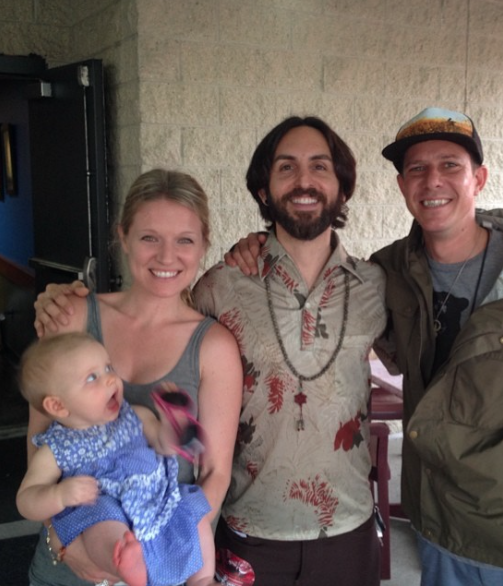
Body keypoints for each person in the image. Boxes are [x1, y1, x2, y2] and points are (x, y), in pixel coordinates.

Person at [223, 107, 503, 585]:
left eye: (450, 165)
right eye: (417, 168)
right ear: (401, 186)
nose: (432, 180)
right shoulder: (387, 272)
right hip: (441, 530)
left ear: (479, 177)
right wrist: (258, 243)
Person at [35, 117, 388, 586]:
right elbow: (40, 443)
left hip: (347, 523)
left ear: (343, 187)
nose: (304, 180)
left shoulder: (377, 286)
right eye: (286, 167)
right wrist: (63, 536)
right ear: (263, 190)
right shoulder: (220, 288)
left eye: (320, 166)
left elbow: (208, 464)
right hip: (249, 531)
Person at [29, 168, 243, 586]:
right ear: (122, 237)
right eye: (149, 238)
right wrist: (64, 543)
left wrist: (178, 554)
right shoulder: (72, 316)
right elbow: (39, 440)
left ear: (203, 246)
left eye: (184, 239)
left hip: (163, 566)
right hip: (69, 564)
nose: (167, 257)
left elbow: (214, 472)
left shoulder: (213, 346)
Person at [18, 332, 215, 586]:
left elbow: (163, 446)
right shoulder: (57, 449)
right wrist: (59, 496)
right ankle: (123, 564)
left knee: (191, 509)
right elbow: (26, 499)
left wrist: (171, 426)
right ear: (58, 406)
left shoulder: (135, 416)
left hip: (155, 500)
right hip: (107, 510)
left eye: (108, 367)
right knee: (101, 518)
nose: (111, 378)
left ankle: (203, 579)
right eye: (92, 377)